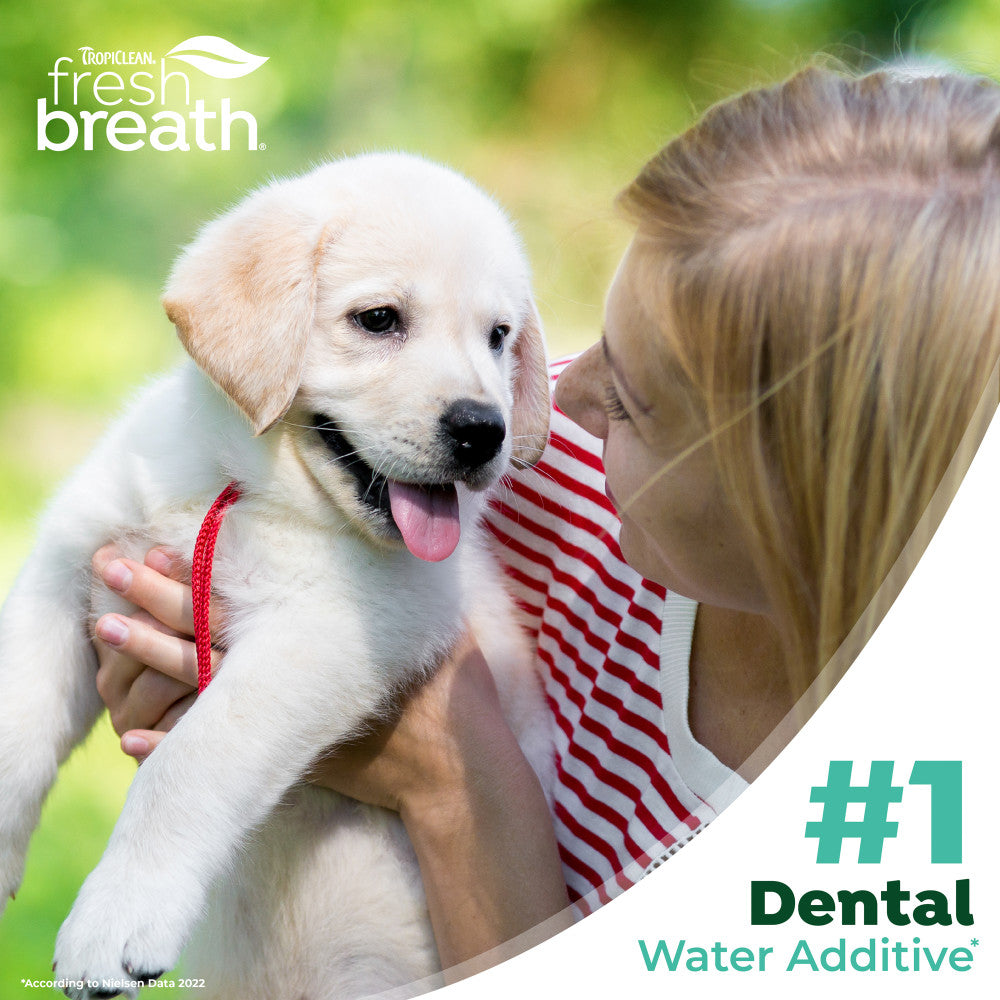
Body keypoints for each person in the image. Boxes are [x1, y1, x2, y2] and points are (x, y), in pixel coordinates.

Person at [89, 63, 1000, 976]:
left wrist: (450, 779)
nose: (560, 398)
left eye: (638, 401)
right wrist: (192, 695)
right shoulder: (539, 480)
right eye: (598, 337)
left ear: (798, 493)